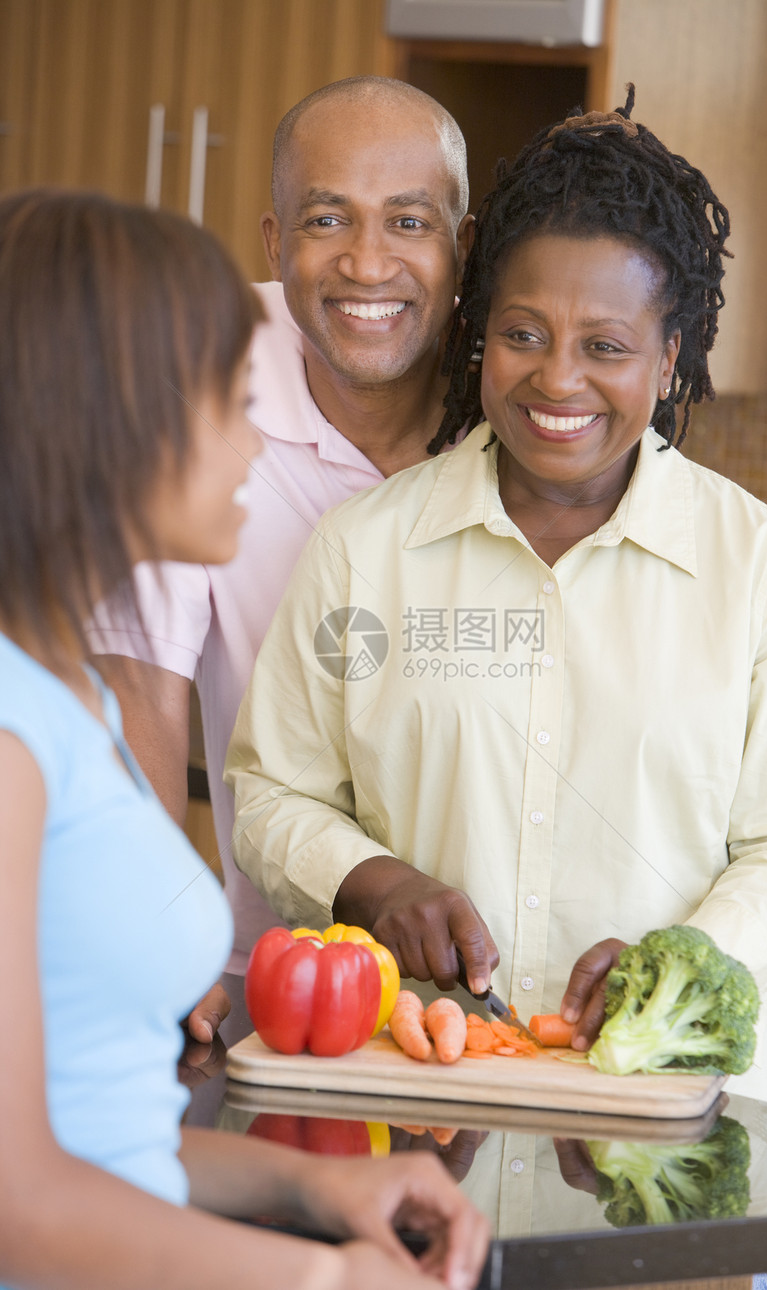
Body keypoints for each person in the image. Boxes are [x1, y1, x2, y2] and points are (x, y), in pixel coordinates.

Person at [225, 89, 767, 1110]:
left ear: (665, 359)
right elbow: (271, 791)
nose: (555, 380)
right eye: (523, 333)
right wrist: (372, 881)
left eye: (603, 347)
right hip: (417, 1102)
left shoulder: (757, 570)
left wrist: (684, 958)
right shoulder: (362, 551)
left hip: (678, 1118)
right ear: (481, 333)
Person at [0, 188, 489, 1290]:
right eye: (229, 402)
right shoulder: (9, 734)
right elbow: (18, 1203)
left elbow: (105, 1137)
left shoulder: (68, 694)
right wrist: (328, 1280)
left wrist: (317, 1191)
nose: (253, 443)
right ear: (102, 420)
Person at [90, 75, 474, 1044]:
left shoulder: (519, 388)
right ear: (274, 244)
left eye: (408, 223)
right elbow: (142, 700)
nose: (366, 263)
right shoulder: (197, 379)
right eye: (326, 219)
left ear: (461, 245)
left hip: (482, 992)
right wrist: (159, 947)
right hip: (271, 985)